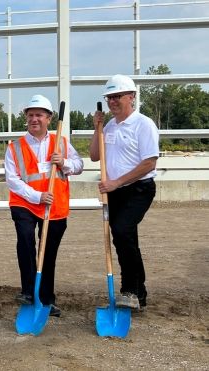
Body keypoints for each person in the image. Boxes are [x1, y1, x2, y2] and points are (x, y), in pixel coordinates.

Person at [4, 94, 84, 317]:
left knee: (47, 253)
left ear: (49, 118)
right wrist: (36, 196)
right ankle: (29, 292)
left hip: (54, 207)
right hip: (25, 204)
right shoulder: (15, 147)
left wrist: (64, 163)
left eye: (39, 115)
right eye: (30, 115)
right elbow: (12, 180)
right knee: (26, 241)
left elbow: (79, 165)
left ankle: (47, 299)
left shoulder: (62, 144)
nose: (34, 119)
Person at [90, 74, 158, 310]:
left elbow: (149, 163)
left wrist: (116, 182)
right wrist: (97, 128)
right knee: (123, 238)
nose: (112, 102)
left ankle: (131, 289)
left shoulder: (143, 124)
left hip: (139, 189)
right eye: (109, 98)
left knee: (121, 230)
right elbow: (94, 156)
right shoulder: (109, 125)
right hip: (116, 191)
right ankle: (137, 293)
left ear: (132, 97)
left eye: (117, 96)